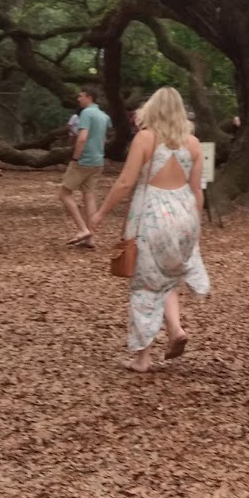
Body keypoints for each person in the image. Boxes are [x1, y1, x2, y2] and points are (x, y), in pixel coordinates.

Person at [89, 87, 210, 371]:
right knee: (167, 277)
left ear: (152, 109)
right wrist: (197, 227)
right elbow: (197, 191)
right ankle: (176, 329)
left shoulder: (145, 138)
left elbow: (125, 182)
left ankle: (143, 358)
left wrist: (100, 213)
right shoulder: (193, 143)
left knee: (145, 284)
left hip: (152, 216)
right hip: (184, 216)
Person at [62, 85, 111, 248]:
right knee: (89, 196)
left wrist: (75, 158)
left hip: (84, 160)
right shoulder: (104, 116)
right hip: (98, 161)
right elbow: (103, 138)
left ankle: (83, 229)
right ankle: (91, 237)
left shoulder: (86, 113)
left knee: (64, 194)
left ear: (89, 97)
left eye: (80, 96)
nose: (78, 99)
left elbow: (82, 138)